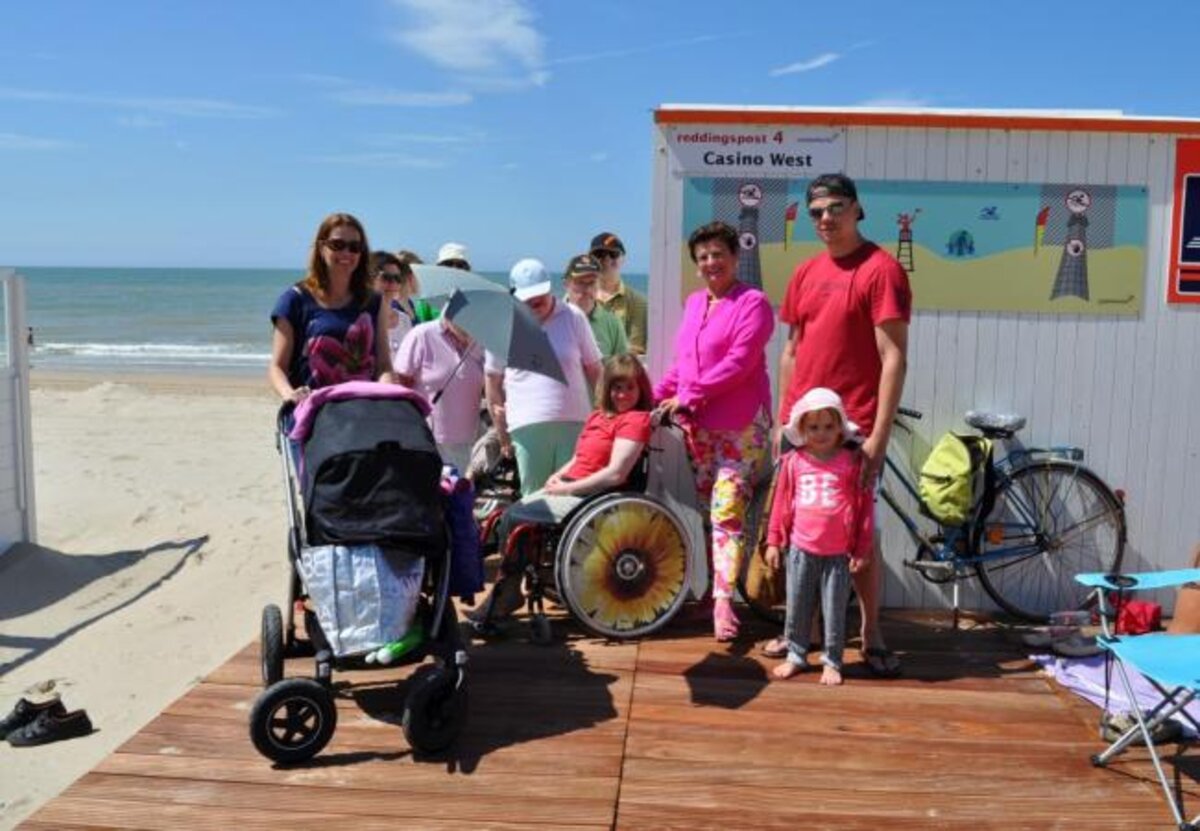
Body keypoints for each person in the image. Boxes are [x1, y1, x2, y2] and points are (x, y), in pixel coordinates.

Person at [765, 172, 912, 677]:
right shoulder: (805, 273)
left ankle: (871, 633)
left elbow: (893, 358)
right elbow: (790, 351)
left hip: (853, 432)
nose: (826, 218)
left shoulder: (882, 270)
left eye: (835, 207)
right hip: (803, 432)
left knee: (858, 537)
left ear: (857, 209)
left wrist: (877, 437)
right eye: (816, 211)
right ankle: (799, 634)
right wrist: (785, 421)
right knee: (804, 530)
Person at [654, 221, 775, 642]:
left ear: (734, 257)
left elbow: (740, 363)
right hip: (699, 429)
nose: (710, 263)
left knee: (726, 513)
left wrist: (688, 395)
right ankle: (710, 596)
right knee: (710, 517)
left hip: (743, 427)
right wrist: (651, 397)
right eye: (702, 257)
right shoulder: (693, 303)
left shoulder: (753, 303)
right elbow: (683, 365)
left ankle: (724, 602)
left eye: (717, 254)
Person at [470, 354, 653, 625]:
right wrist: (557, 477)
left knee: (517, 519)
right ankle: (511, 584)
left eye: (629, 387)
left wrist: (569, 489)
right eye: (616, 387)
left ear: (641, 389)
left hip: (595, 494)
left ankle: (508, 591)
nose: (622, 394)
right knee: (504, 514)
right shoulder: (599, 416)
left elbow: (616, 473)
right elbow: (579, 458)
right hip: (574, 486)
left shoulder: (636, 420)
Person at [765, 388, 873, 686]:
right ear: (801, 429)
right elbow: (781, 504)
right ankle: (796, 655)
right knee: (798, 604)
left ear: (840, 427)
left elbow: (864, 510)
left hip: (838, 553)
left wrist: (862, 549)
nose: (822, 433)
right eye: (813, 427)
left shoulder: (851, 463)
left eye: (829, 426)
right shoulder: (794, 461)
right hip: (801, 549)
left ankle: (832, 660)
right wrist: (774, 541)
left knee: (834, 608)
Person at [485, 258, 602, 496]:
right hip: (527, 426)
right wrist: (502, 433)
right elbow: (492, 381)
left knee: (573, 498)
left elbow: (595, 370)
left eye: (540, 293)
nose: (535, 300)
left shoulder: (573, 316)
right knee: (535, 499)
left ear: (551, 288)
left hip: (575, 422)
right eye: (528, 296)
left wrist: (602, 416)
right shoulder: (502, 324)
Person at [269, 213, 395, 404]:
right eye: (337, 245)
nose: (346, 253)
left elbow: (384, 365)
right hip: (313, 415)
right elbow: (277, 367)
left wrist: (387, 394)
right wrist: (290, 395)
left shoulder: (374, 302)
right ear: (321, 248)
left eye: (355, 247)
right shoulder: (294, 300)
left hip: (364, 414)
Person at [392, 310, 485, 474]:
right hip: (428, 440)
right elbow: (400, 384)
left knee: (458, 493)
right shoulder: (422, 335)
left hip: (469, 437)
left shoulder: (480, 339)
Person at [590, 232, 648, 356]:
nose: (606, 259)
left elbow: (636, 349)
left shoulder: (638, 301)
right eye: (599, 254)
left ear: (623, 259)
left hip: (619, 373)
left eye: (613, 254)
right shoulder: (574, 297)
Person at [562, 254, 628, 360]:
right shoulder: (551, 319)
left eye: (592, 283)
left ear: (599, 284)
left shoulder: (613, 324)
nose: (587, 290)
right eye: (581, 283)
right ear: (566, 284)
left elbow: (623, 371)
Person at [370, 251, 419, 359]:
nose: (393, 284)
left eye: (398, 278)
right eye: (386, 277)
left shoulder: (404, 320)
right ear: (370, 279)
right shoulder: (359, 320)